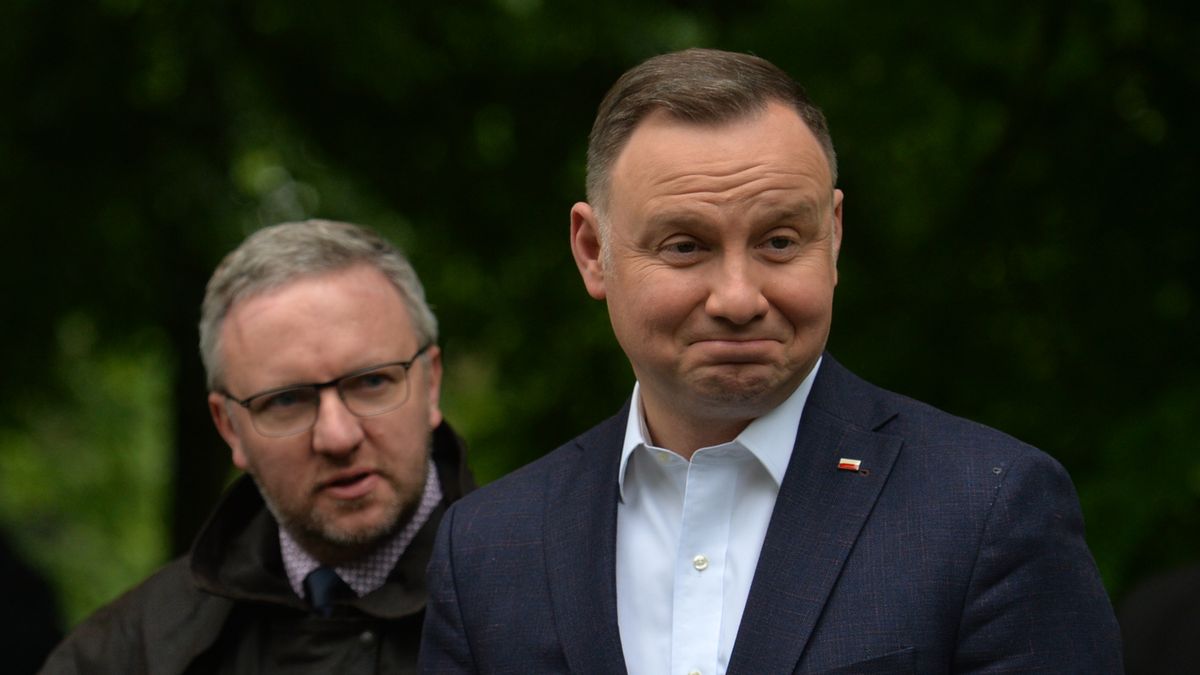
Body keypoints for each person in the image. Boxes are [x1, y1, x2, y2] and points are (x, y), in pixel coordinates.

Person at [420, 48, 1122, 673]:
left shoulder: (985, 510)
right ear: (592, 251)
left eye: (780, 241)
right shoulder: (488, 549)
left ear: (835, 235)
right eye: (685, 246)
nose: (737, 296)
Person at [42, 220, 473, 673]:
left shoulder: (532, 603)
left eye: (371, 382)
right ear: (229, 427)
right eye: (286, 400)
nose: (337, 436)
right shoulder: (128, 653)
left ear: (431, 384)